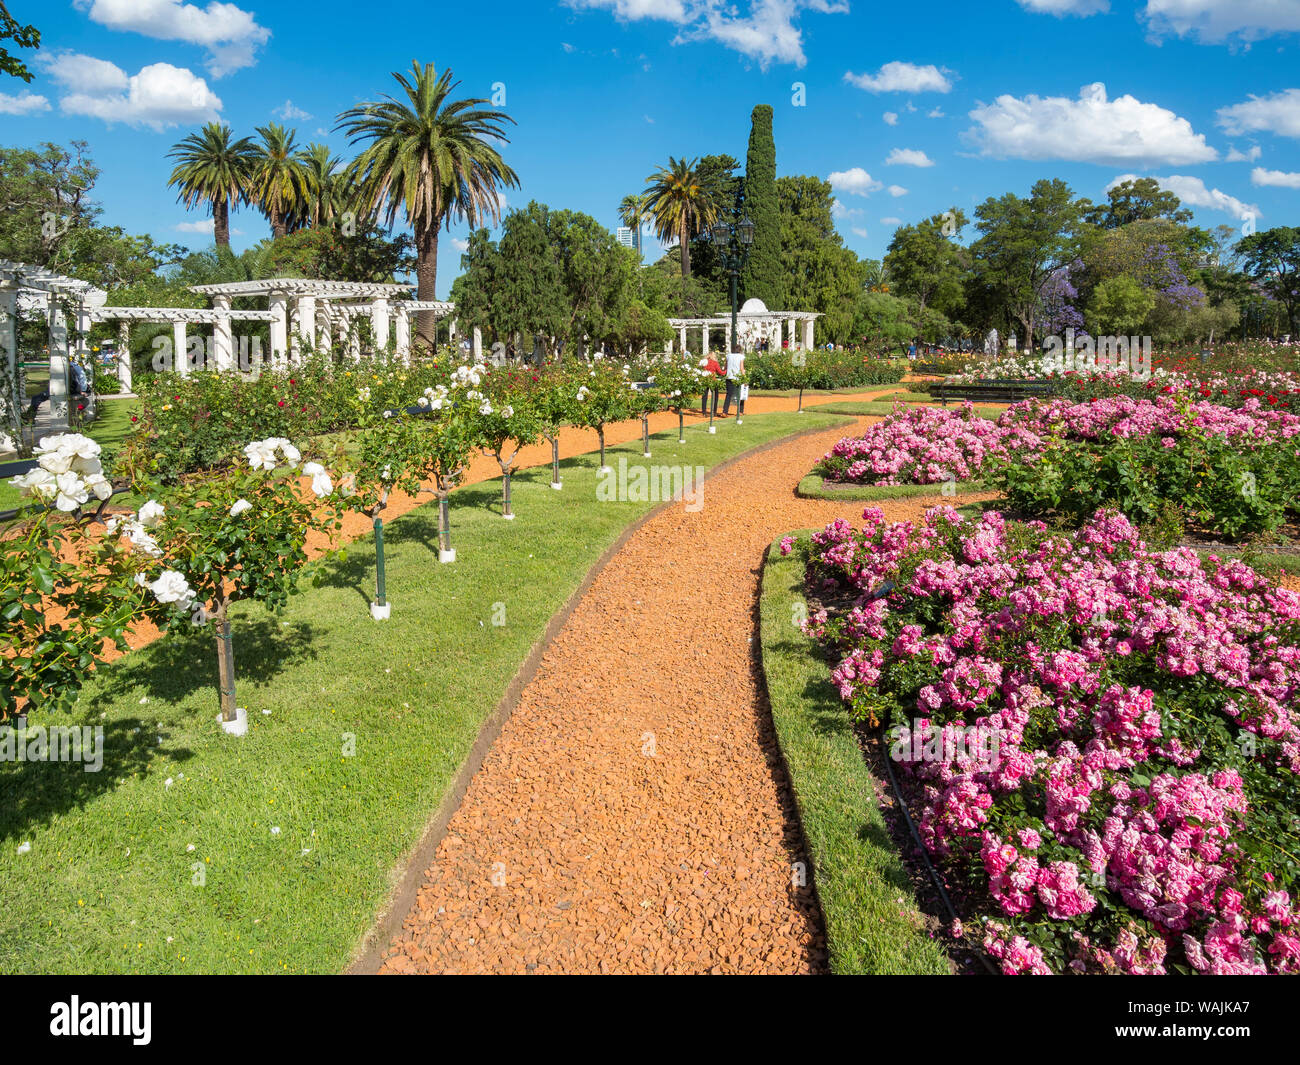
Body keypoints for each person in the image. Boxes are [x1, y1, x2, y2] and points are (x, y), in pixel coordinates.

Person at [722, 346, 745, 417]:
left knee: (728, 394)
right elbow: (741, 368)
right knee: (740, 394)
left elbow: (725, 367)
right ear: (740, 350)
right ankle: (740, 411)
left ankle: (725, 412)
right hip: (737, 377)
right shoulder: (741, 356)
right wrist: (744, 377)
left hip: (729, 377)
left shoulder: (728, 356)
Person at [700, 351, 723, 416]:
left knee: (704, 396)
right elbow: (720, 372)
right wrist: (726, 371)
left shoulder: (705, 362)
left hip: (705, 379)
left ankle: (704, 412)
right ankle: (714, 411)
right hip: (713, 380)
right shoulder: (715, 363)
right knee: (716, 395)